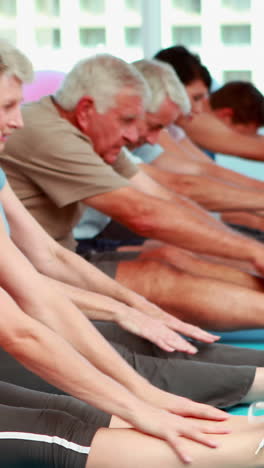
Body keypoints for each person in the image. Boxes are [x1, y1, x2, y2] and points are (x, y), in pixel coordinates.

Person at [0, 36, 252, 468]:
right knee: (73, 423)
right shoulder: (46, 133)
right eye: (7, 106)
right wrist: (144, 405)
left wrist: (129, 311)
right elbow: (20, 328)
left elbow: (40, 276)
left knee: (101, 396)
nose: (17, 120)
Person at [4, 53, 264, 332]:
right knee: (158, 279)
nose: (134, 136)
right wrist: (251, 250)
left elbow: (162, 197)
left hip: (66, 256)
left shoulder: (99, 134)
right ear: (85, 109)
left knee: (172, 257)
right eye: (128, 120)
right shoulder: (48, 133)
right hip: (38, 270)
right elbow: (144, 214)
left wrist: (253, 251)